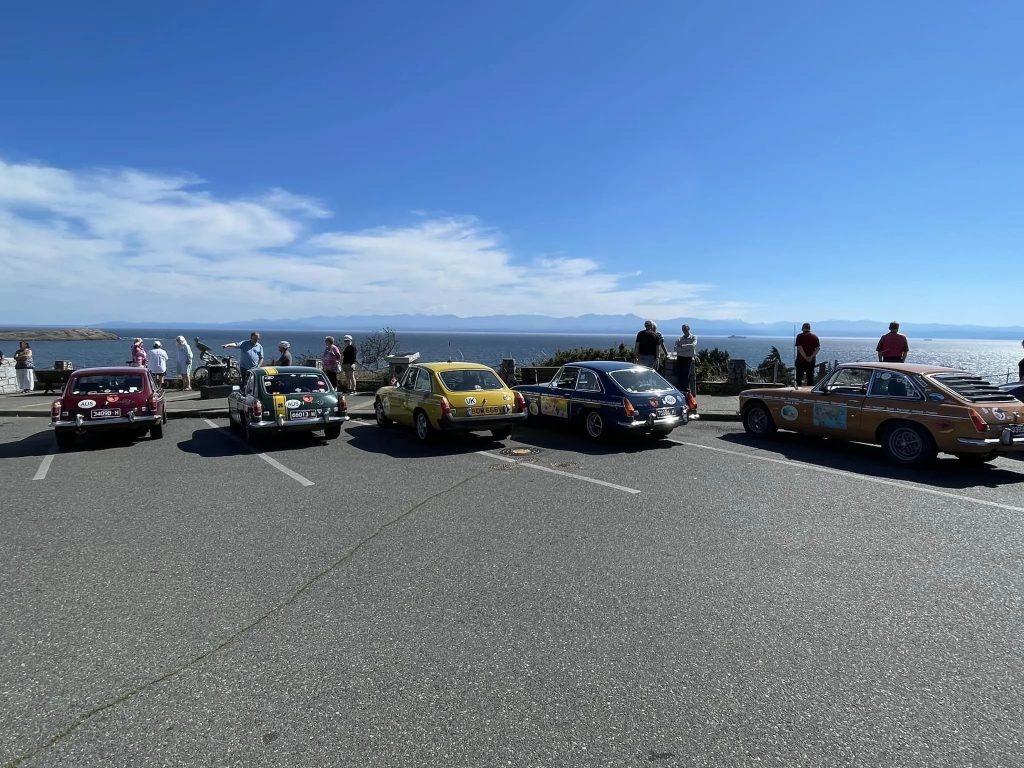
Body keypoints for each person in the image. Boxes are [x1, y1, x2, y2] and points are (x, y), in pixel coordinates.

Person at [674, 324, 698, 391]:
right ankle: (680, 388)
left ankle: (686, 389)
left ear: (689, 328)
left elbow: (693, 346)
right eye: (683, 329)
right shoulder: (679, 338)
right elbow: (675, 348)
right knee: (679, 373)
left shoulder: (693, 337)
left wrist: (682, 347)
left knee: (686, 373)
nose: (684, 330)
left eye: (685, 328)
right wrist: (687, 348)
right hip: (680, 358)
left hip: (688, 358)